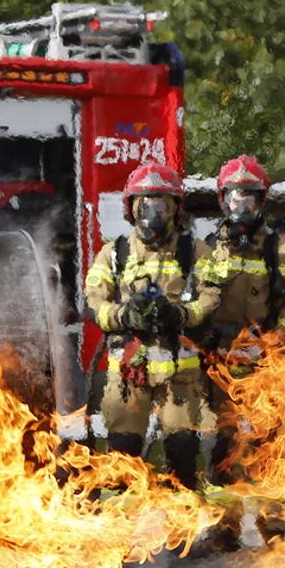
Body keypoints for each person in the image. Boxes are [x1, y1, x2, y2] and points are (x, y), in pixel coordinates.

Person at [191, 155, 285, 551]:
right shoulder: (205, 248)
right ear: (223, 200)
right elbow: (198, 301)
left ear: (262, 201)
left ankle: (274, 527)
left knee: (270, 442)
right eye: (236, 199)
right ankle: (226, 528)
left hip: (267, 361)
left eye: (250, 199)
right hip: (222, 361)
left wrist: (278, 338)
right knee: (223, 445)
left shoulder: (284, 247)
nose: (242, 207)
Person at [85, 162, 219, 494]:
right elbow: (92, 303)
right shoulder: (114, 253)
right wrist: (124, 316)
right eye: (144, 204)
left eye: (161, 205)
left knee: (183, 454)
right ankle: (124, 534)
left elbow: (211, 297)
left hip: (181, 377)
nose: (153, 213)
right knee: (122, 456)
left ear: (175, 208)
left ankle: (184, 535)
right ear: (131, 209)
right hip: (130, 375)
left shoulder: (195, 251)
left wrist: (181, 315)